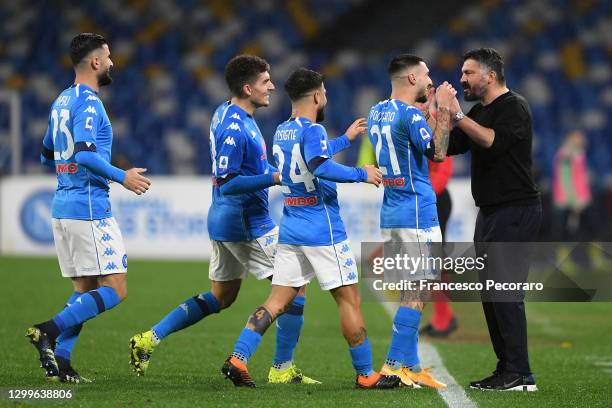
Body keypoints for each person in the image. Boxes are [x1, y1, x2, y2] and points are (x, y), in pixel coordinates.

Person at [129, 55, 318, 384]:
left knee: (222, 296)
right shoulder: (235, 125)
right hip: (246, 220)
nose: (272, 86)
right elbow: (228, 182)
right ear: (247, 88)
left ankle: (149, 339)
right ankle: (278, 367)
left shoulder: (228, 112)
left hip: (223, 219)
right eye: (265, 81)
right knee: (296, 284)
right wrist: (273, 177)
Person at [221, 68, 400, 389]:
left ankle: (238, 357)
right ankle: (366, 374)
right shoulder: (314, 129)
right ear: (317, 96)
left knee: (277, 301)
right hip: (323, 228)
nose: (326, 97)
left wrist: (345, 139)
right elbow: (319, 164)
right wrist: (362, 173)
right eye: (325, 92)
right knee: (349, 301)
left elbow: (307, 156)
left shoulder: (282, 130)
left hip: (291, 226)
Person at [27, 33, 151, 383]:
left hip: (62, 206)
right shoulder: (91, 104)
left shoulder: (61, 101)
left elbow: (45, 153)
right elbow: (83, 153)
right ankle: (48, 330)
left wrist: (67, 168)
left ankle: (61, 364)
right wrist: (121, 177)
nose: (112, 62)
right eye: (108, 57)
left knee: (84, 291)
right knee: (116, 288)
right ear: (95, 62)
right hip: (88, 207)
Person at [447, 48, 541, 391]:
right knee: (490, 293)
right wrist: (435, 112)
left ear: (489, 75)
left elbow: (492, 141)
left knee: (505, 291)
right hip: (489, 212)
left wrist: (456, 114)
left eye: (468, 73)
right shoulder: (479, 110)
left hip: (516, 209)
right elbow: (443, 149)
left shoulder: (513, 106)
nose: (462, 79)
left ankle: (520, 373)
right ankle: (508, 369)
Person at [367, 54, 455, 388]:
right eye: (426, 75)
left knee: (409, 286)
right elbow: (438, 152)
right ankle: (392, 367)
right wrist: (443, 109)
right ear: (412, 79)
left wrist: (429, 107)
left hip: (392, 208)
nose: (431, 79)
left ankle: (412, 366)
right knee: (419, 287)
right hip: (417, 210)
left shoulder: (377, 111)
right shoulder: (409, 115)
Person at [419, 156, 458, 338]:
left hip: (434, 200)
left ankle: (443, 319)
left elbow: (443, 170)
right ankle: (444, 316)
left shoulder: (438, 131)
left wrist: (423, 196)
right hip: (425, 199)